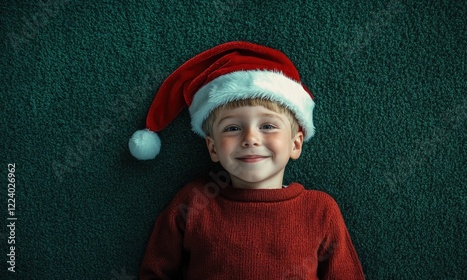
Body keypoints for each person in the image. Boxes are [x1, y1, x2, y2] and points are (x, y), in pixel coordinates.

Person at [129, 41, 364, 279]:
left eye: (268, 125)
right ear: (212, 147)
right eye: (232, 127)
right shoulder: (194, 202)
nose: (250, 138)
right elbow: (155, 272)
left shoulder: (321, 211)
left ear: (295, 144)